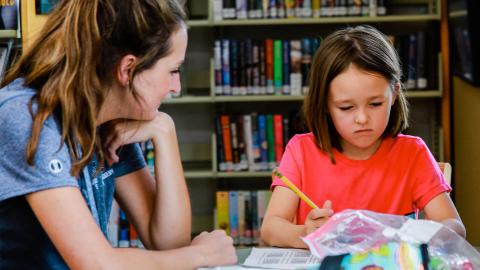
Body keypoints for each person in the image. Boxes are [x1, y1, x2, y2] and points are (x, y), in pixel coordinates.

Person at [0, 0, 236, 269]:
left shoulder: (109, 119)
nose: (176, 87)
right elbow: (98, 264)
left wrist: (165, 131)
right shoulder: (28, 118)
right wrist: (203, 255)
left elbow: (168, 242)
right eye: (173, 70)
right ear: (127, 69)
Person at [260, 25, 466, 248]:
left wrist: (424, 234)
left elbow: (455, 226)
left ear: (394, 94)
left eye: (375, 104)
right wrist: (307, 232)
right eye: (346, 107)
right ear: (325, 104)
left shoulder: (412, 153)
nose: (362, 118)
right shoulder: (301, 151)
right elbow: (270, 229)